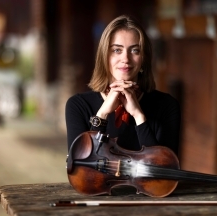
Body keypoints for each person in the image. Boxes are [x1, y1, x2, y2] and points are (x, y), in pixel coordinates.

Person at [65, 15, 181, 155]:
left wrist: (139, 116)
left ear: (143, 59)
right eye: (116, 50)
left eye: (135, 50)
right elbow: (79, 167)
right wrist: (102, 115)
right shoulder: (78, 105)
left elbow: (164, 170)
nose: (125, 59)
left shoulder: (167, 106)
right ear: (104, 56)